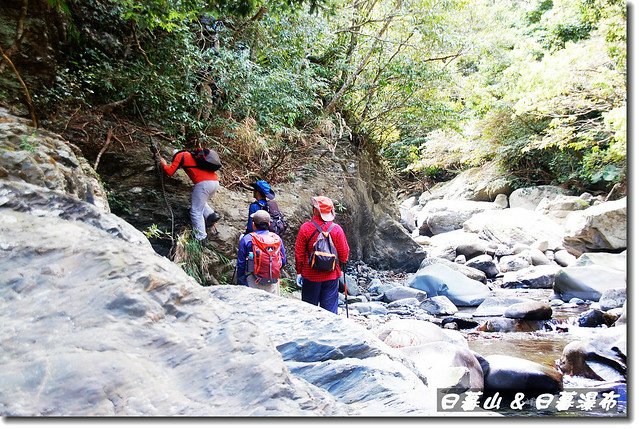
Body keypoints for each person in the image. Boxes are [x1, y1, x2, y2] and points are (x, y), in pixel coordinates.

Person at [295, 196, 349, 314]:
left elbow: (299, 253)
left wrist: (299, 272)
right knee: (329, 313)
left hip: (310, 275)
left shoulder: (306, 228)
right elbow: (344, 254)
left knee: (309, 311)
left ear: (315, 210)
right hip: (331, 275)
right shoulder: (337, 229)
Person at [154, 149, 221, 242]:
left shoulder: (180, 156)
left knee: (196, 211)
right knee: (199, 201)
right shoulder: (195, 157)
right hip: (215, 183)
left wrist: (164, 164)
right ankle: (211, 215)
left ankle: (201, 237)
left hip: (203, 184)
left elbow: (170, 171)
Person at [237, 210, 286, 295]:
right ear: (269, 224)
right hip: (273, 282)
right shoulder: (276, 238)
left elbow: (241, 264)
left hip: (253, 280)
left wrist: (240, 281)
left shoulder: (247, 239)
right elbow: (283, 260)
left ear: (253, 225)